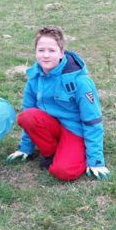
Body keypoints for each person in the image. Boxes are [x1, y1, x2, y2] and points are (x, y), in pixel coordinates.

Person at [6, 26, 110, 182]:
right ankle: (51, 153)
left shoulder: (80, 81)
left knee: (63, 172)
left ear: (61, 53)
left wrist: (95, 160)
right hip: (51, 127)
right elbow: (29, 112)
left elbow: (92, 121)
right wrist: (25, 147)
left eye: (52, 50)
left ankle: (69, 152)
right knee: (27, 116)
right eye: (41, 50)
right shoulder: (34, 76)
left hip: (74, 130)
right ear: (35, 52)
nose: (46, 55)